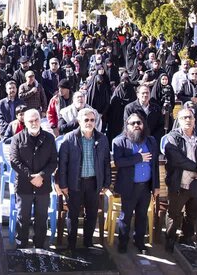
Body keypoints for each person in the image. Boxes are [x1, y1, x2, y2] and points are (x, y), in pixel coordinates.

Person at [56, 108, 111, 252]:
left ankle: (87, 242)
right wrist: (63, 184)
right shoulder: (69, 138)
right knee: (73, 215)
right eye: (86, 120)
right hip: (75, 183)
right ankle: (72, 244)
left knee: (92, 214)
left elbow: (106, 162)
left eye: (92, 120)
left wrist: (106, 183)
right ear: (79, 121)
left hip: (93, 183)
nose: (89, 122)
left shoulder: (102, 138)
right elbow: (62, 164)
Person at [163, 108, 197, 252]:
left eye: (190, 117)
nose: (188, 120)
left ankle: (186, 239)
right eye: (184, 118)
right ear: (179, 121)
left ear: (194, 120)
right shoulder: (172, 137)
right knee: (174, 214)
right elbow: (177, 159)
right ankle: (170, 240)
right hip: (178, 184)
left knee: (192, 214)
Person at [111, 112, 159, 253]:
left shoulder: (151, 141)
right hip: (129, 186)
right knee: (125, 216)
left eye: (139, 123)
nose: (136, 125)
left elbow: (154, 165)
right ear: (127, 126)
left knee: (142, 215)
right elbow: (119, 162)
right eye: (133, 123)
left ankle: (139, 242)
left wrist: (156, 186)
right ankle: (123, 243)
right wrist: (138, 158)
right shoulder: (119, 141)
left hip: (146, 186)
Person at [10, 109, 58, 249]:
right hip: (24, 185)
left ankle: (40, 245)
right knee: (23, 217)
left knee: (41, 217)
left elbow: (54, 161)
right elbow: (14, 161)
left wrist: (41, 175)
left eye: (36, 119)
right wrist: (30, 177)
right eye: (30, 121)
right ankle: (22, 245)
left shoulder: (49, 138)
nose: (34, 123)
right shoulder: (17, 138)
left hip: (43, 184)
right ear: (25, 122)